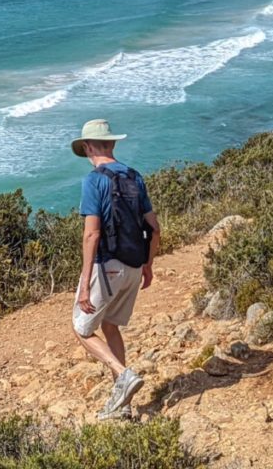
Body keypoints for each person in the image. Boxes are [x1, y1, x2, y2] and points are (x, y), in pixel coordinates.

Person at [70, 118, 161, 420]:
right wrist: (148, 265)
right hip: (134, 266)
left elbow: (91, 234)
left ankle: (123, 375)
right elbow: (155, 228)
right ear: (111, 143)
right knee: (109, 326)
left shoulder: (93, 181)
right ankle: (123, 408)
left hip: (107, 269)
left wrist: (85, 282)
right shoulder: (135, 176)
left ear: (88, 147)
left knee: (82, 328)